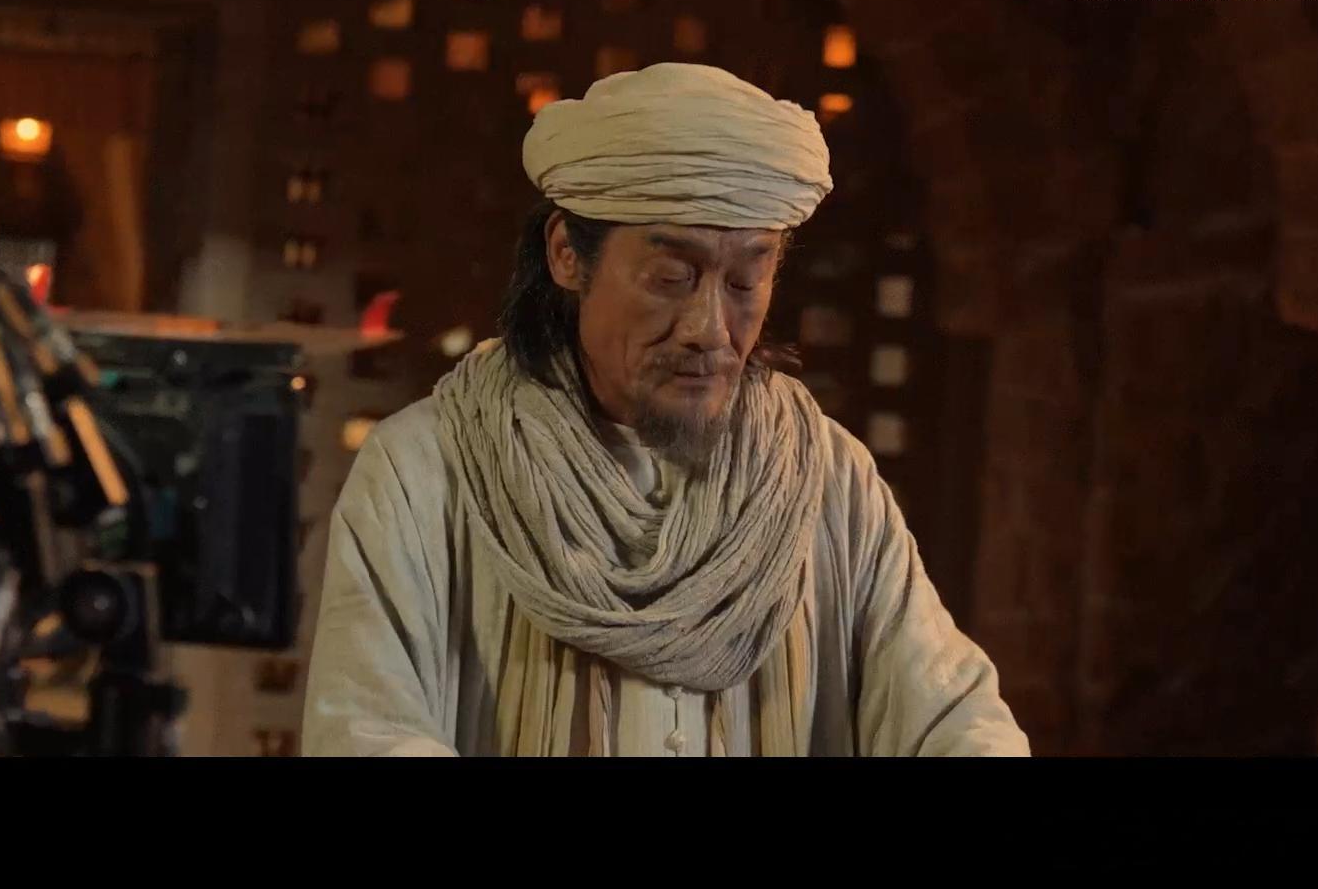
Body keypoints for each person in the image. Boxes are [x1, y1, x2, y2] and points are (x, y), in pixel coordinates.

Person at [301, 63, 1029, 757]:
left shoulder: (826, 477)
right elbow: (368, 731)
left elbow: (951, 715)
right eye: (671, 277)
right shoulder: (429, 470)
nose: (709, 329)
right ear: (567, 254)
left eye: (745, 283)